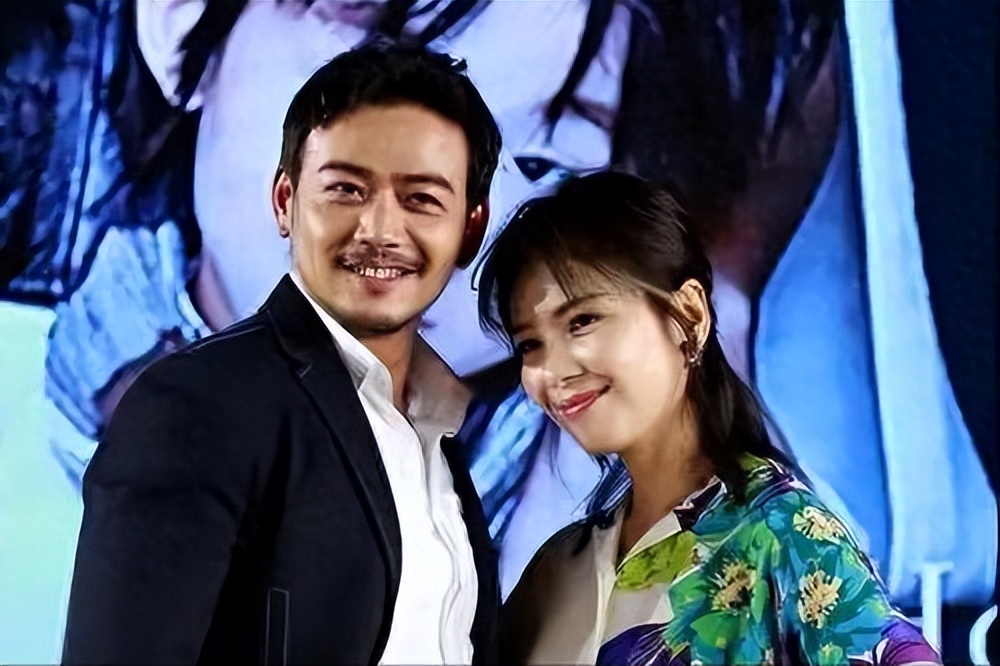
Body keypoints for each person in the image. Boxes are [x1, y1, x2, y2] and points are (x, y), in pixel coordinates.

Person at [62, 42, 501, 665]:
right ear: (284, 202)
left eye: (421, 199)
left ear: (470, 228)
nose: (380, 230)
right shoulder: (196, 404)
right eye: (346, 189)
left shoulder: (441, 432)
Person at [478, 172, 942, 665]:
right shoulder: (555, 573)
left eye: (583, 321)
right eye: (530, 344)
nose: (551, 370)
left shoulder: (784, 536)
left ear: (690, 316)